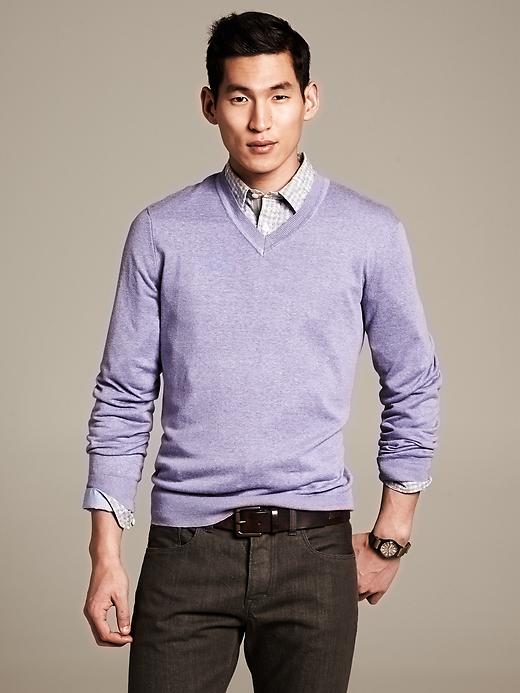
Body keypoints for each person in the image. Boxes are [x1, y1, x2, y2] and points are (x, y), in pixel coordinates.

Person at [82, 10, 442, 693]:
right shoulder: (161, 231)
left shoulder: (369, 231)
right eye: (240, 97)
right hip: (186, 552)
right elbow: (123, 398)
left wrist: (391, 536)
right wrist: (106, 556)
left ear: (310, 99)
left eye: (279, 95)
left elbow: (414, 382)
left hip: (315, 552)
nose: (260, 121)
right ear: (209, 105)